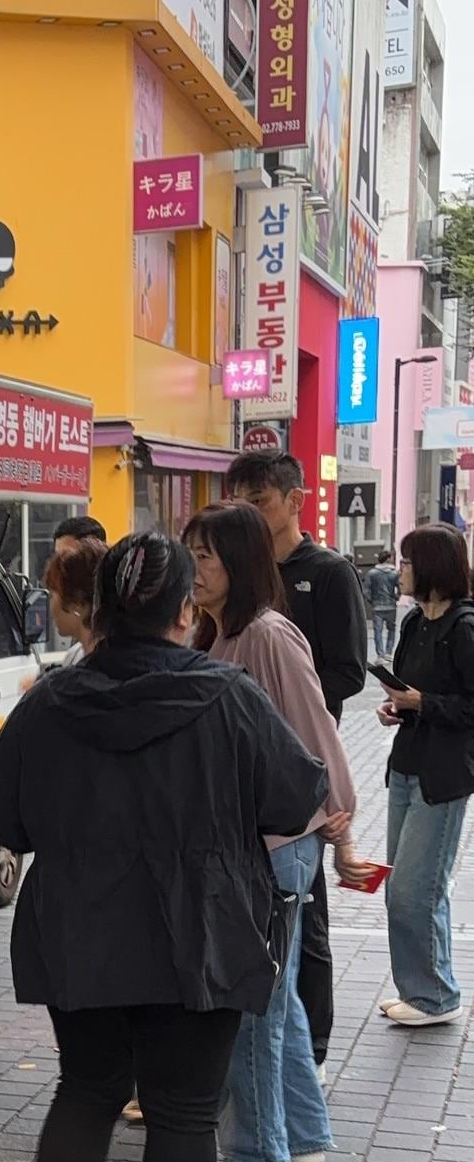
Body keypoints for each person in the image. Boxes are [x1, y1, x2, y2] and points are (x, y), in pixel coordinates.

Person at [0, 533, 326, 1162]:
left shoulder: (52, 699)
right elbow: (293, 794)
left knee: (86, 1086)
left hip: (78, 929)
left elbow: (1, 812)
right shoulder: (228, 695)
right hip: (197, 932)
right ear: (181, 611)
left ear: (99, 610)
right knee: (182, 1109)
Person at [185, 503, 357, 1162]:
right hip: (253, 845)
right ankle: (305, 1136)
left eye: (205, 555)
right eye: (191, 554)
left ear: (240, 560)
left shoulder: (266, 634)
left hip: (278, 844)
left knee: (253, 1001)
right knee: (273, 998)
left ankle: (258, 1159)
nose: (194, 569)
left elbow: (318, 736)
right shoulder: (217, 633)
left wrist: (343, 835)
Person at [225, 450, 367, 1069]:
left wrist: (286, 706)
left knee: (307, 921)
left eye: (258, 501)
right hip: (252, 788)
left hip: (304, 768)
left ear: (294, 501)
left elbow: (349, 671)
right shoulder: (240, 580)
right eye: (239, 502)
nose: (248, 513)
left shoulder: (328, 572)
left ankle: (313, 1049)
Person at [376, 524, 474, 1027]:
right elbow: (411, 690)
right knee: (402, 888)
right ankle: (419, 990)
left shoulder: (465, 627)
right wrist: (397, 708)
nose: (401, 572)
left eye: (408, 562)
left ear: (434, 566)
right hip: (405, 764)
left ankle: (436, 996)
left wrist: (424, 703)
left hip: (442, 775)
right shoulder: (415, 622)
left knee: (417, 889)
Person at [42, 532, 102, 666]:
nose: (51, 606)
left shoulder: (87, 663)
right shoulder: (75, 655)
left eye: (53, 595)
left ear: (77, 602)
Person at [366, 553, 401, 661]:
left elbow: (366, 590)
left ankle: (380, 655)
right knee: (391, 629)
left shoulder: (372, 573)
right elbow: (400, 588)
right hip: (391, 605)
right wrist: (396, 597)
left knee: (378, 631)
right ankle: (389, 652)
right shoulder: (394, 573)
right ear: (388, 559)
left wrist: (372, 601)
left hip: (377, 606)